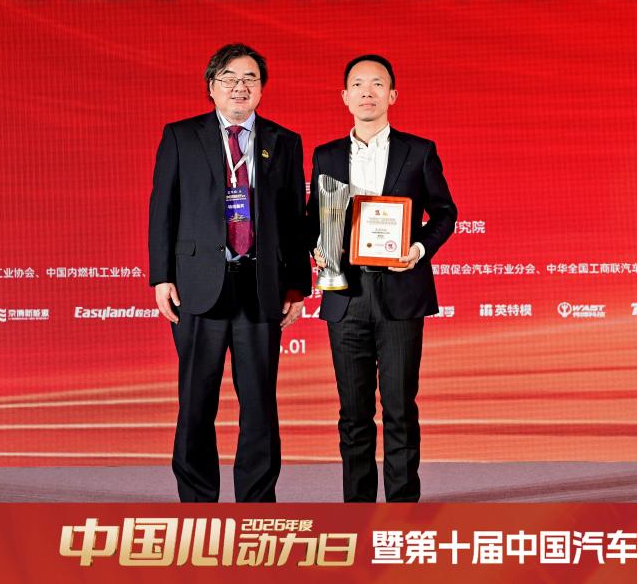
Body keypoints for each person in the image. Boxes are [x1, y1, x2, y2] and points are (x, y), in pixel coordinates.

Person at [148, 43, 310, 502]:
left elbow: (293, 218)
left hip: (261, 287)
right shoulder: (181, 136)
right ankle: (197, 501)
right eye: (230, 79)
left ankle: (257, 502)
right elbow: (163, 207)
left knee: (259, 404)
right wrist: (161, 276)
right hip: (197, 287)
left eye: (250, 79)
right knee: (195, 401)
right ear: (212, 87)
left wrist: (297, 285)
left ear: (261, 88)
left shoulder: (283, 140)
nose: (240, 87)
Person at [307, 55, 457, 502]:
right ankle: (357, 509)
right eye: (358, 84)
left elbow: (445, 213)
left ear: (392, 95)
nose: (367, 92)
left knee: (399, 408)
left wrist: (419, 250)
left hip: (400, 291)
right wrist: (316, 246)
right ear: (345, 96)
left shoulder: (419, 150)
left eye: (377, 84)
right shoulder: (326, 155)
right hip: (345, 293)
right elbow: (314, 217)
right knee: (353, 413)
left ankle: (402, 510)